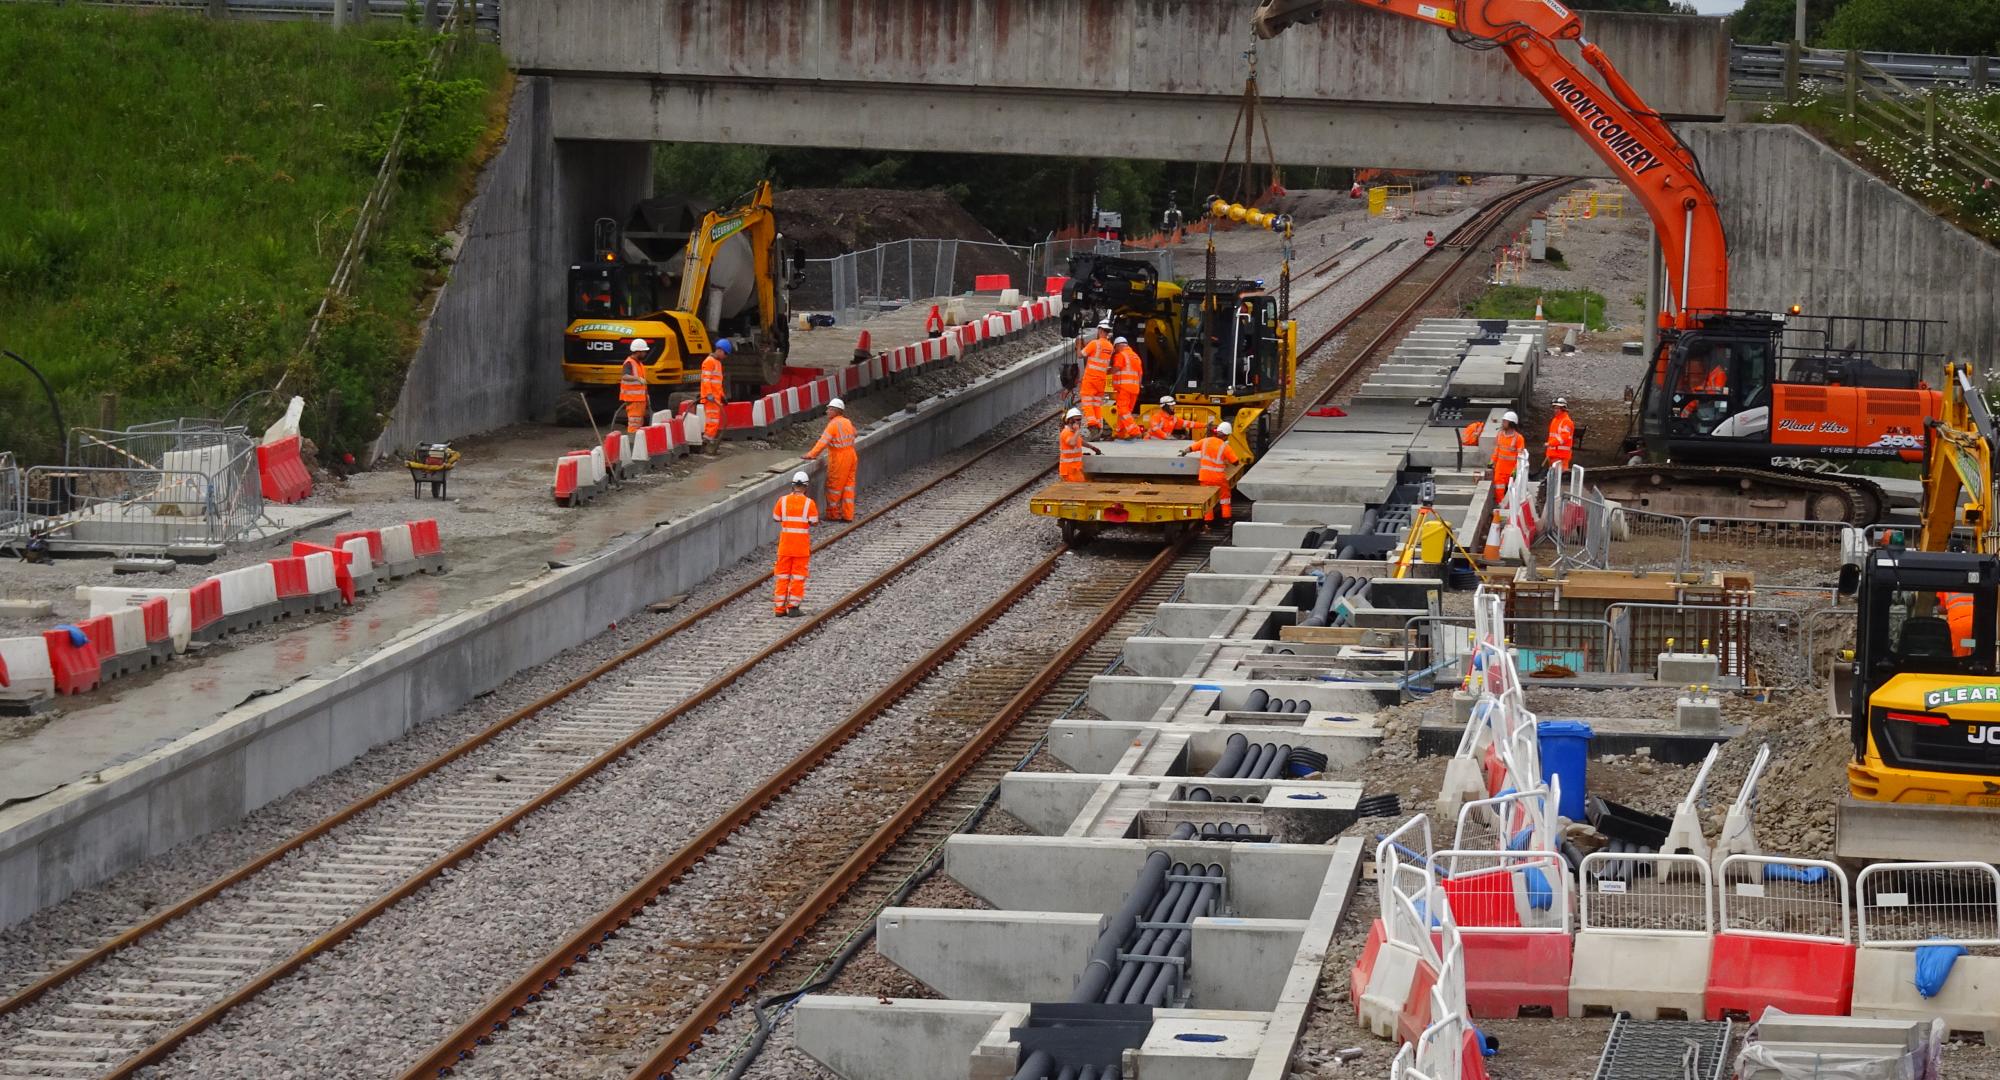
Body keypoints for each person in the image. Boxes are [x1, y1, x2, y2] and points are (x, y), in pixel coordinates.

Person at [772, 471, 819, 617]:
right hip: (800, 548)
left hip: (785, 546)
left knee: (782, 577)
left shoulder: (782, 500)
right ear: (806, 487)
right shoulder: (809, 503)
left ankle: (779, 608)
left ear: (793, 486)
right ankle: (793, 608)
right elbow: (814, 521)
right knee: (798, 578)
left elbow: (776, 517)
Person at [804, 397, 858, 521]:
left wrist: (811, 455)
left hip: (840, 458)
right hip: (851, 455)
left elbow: (822, 443)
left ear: (835, 411)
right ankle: (848, 515)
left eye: (829, 409)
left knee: (834, 487)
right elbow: (855, 433)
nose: (827, 411)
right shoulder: (847, 421)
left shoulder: (833, 425)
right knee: (848, 486)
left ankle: (833, 515)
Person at [1179, 420, 1241, 521]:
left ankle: (1208, 522)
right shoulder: (1225, 446)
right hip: (1218, 479)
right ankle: (1226, 520)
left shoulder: (1205, 441)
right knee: (1225, 498)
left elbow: (1191, 448)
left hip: (1205, 477)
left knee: (1207, 500)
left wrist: (1183, 452)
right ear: (1226, 435)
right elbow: (1235, 462)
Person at [1078, 322, 1114, 433]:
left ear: (1100, 330)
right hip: (1101, 380)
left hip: (1090, 379)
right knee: (1097, 404)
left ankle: (1093, 426)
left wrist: (1078, 345)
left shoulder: (1095, 344)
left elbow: (1080, 355)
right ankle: (1099, 426)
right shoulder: (1110, 346)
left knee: (1087, 402)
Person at [700, 339, 731, 453]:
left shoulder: (717, 363)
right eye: (725, 353)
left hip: (715, 398)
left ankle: (708, 442)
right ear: (720, 350)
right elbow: (706, 379)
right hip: (710, 398)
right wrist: (708, 394)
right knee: (712, 421)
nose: (725, 356)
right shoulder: (709, 361)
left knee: (714, 421)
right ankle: (708, 443)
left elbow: (718, 383)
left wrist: (722, 396)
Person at [1110, 335, 1144, 432]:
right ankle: (1120, 432)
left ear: (1118, 346)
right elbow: (1140, 374)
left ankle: (1134, 431)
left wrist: (1106, 372)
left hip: (1124, 388)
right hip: (1135, 389)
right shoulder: (1136, 356)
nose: (1115, 350)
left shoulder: (1121, 354)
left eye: (1115, 348)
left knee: (1122, 410)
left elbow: (1116, 368)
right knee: (1126, 413)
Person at [1059, 407, 1103, 482]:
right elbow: (1072, 443)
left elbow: (1079, 441)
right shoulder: (1066, 432)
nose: (1079, 422)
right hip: (1069, 471)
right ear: (1070, 420)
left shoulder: (1073, 432)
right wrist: (1077, 431)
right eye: (1077, 420)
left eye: (1080, 419)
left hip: (1074, 469)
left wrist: (1092, 448)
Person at [1491, 410, 1525, 500]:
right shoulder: (1500, 435)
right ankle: (1500, 506)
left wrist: (1516, 469)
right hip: (1500, 469)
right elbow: (1497, 450)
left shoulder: (1519, 438)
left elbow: (1520, 456)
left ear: (1511, 423)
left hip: (1511, 470)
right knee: (1499, 489)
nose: (1503, 423)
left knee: (1512, 491)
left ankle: (1509, 508)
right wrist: (1492, 461)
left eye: (1505, 422)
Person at [619, 339, 651, 433]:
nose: (645, 353)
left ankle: (637, 442)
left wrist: (646, 395)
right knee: (634, 424)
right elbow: (625, 376)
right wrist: (637, 378)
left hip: (640, 398)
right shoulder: (629, 363)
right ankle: (632, 442)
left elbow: (642, 385)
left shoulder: (639, 363)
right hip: (633, 398)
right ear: (638, 351)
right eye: (644, 351)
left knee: (638, 423)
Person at [1543, 396, 1575, 475]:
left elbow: (1564, 437)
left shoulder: (1567, 421)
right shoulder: (1555, 420)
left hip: (1561, 457)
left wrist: (1550, 444)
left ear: (1563, 408)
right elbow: (1552, 437)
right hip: (1553, 455)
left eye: (1558, 408)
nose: (1555, 410)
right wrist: (1549, 453)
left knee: (1559, 480)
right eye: (1554, 408)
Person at [1943, 591, 1975, 657]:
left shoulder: (1944, 582)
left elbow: (1941, 608)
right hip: (1979, 619)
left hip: (1960, 623)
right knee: (1973, 645)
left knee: (1962, 655)